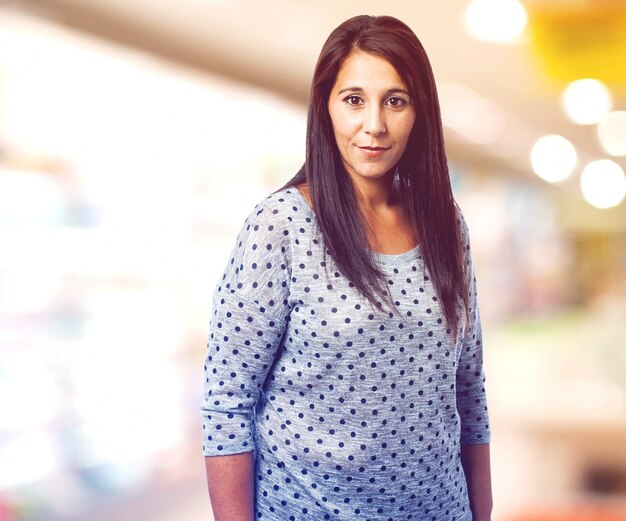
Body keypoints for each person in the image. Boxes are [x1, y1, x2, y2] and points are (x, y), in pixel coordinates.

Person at [202, 14, 492, 521]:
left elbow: (469, 390)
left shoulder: (448, 225)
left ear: (420, 111)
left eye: (395, 101)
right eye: (354, 99)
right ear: (325, 108)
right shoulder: (282, 225)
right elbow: (227, 402)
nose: (374, 124)